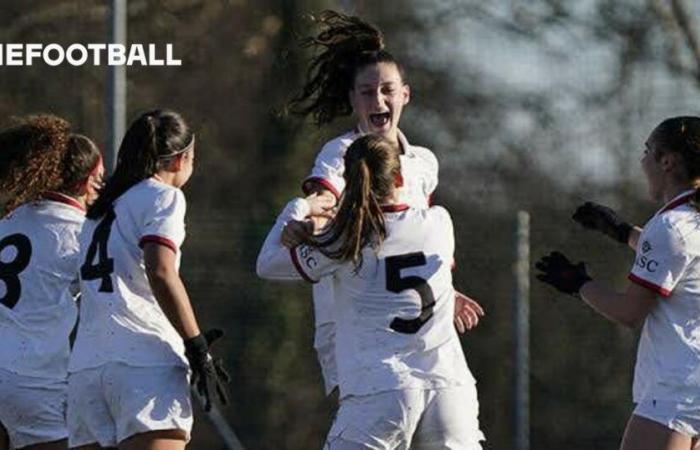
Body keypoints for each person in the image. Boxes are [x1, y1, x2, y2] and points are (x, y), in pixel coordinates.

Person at [289, 9, 484, 396]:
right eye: (367, 92)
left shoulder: (424, 162)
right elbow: (325, 195)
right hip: (353, 320)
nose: (378, 100)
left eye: (387, 90)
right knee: (370, 416)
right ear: (352, 100)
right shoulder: (341, 152)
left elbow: (421, 237)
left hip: (417, 324)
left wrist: (446, 288)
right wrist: (310, 214)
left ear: (405, 95)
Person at [258, 134, 484, 449]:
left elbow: (267, 264)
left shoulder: (344, 239)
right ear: (401, 176)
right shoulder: (440, 221)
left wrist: (299, 210)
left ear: (350, 183)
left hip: (381, 388)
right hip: (448, 386)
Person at [67, 109, 229, 450]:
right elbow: (161, 269)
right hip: (142, 365)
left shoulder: (96, 214)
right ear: (181, 159)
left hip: (86, 372)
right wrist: (196, 343)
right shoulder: (163, 195)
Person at [536, 116, 700, 450]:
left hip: (676, 392)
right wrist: (623, 232)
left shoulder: (670, 227)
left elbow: (629, 312)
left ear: (667, 161)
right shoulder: (689, 220)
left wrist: (578, 283)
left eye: (647, 151)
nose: (642, 161)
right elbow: (679, 261)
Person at [0, 114, 104, 450]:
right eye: (100, 181)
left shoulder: (9, 220)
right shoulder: (81, 234)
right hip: (33, 379)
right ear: (86, 182)